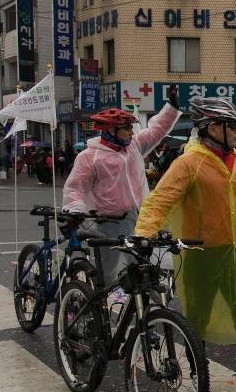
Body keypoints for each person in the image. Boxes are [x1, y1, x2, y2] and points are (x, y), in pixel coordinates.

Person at [133, 96, 236, 392]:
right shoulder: (189, 162)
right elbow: (160, 200)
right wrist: (143, 233)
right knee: (197, 320)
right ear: (211, 128)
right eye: (232, 126)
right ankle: (196, 372)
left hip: (234, 250)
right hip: (200, 252)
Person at [64, 92, 185, 273]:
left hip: (139, 216)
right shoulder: (89, 156)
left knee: (143, 266)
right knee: (108, 269)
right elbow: (76, 188)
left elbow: (156, 130)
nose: (130, 132)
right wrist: (75, 210)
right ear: (110, 130)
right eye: (126, 128)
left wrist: (172, 107)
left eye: (130, 127)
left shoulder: (133, 146)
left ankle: (139, 300)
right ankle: (101, 300)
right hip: (108, 221)